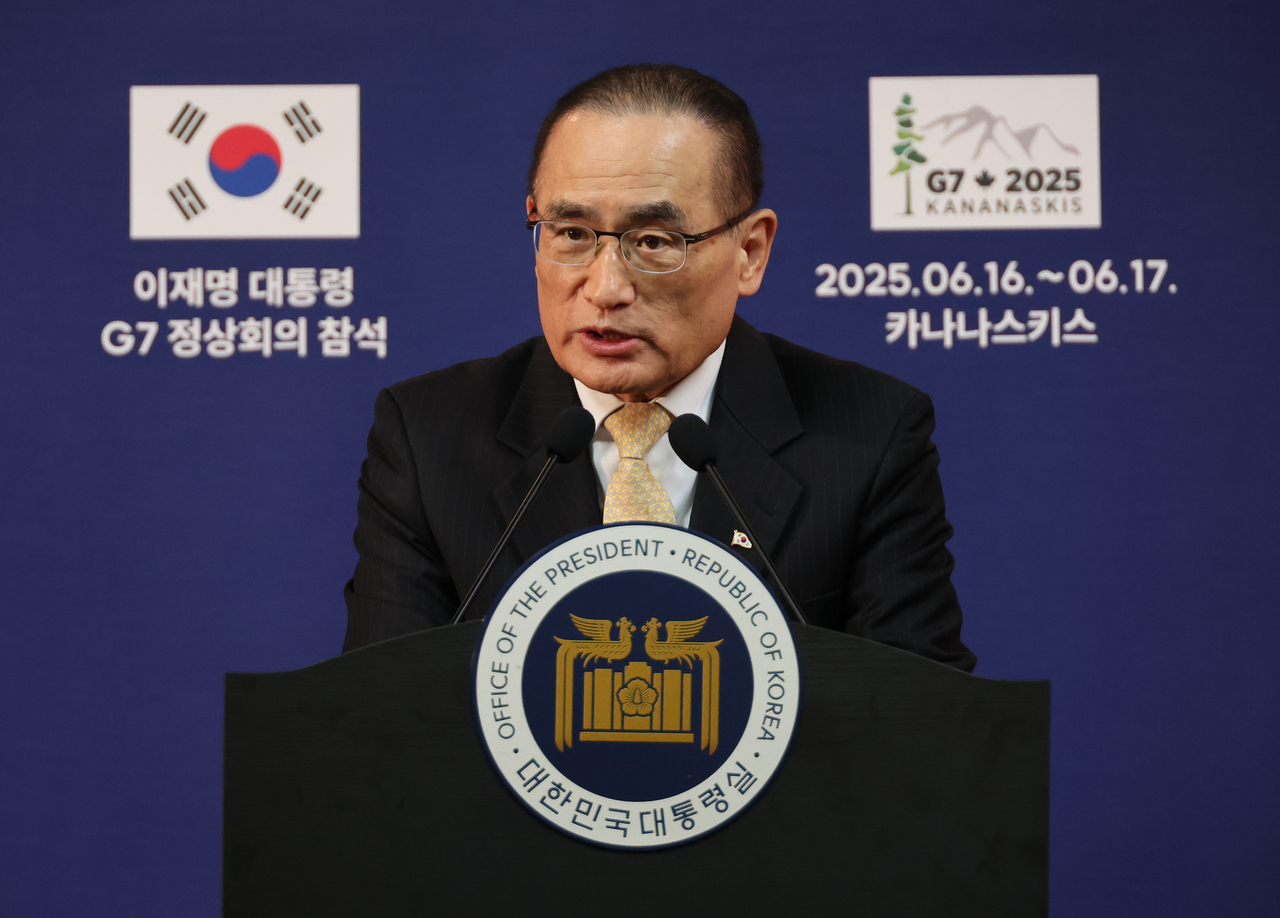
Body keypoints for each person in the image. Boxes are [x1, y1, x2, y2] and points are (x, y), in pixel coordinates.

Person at [343, 64, 976, 672]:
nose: (606, 287)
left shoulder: (869, 434)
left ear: (749, 252)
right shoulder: (429, 436)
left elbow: (921, 728)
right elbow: (380, 720)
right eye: (570, 233)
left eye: (653, 241)